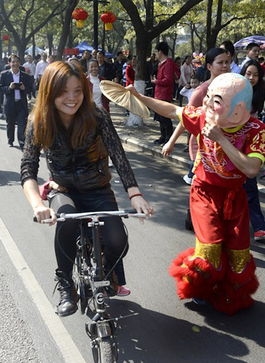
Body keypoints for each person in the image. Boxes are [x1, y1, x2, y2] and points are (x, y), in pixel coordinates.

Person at [21, 61, 153, 317]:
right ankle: (66, 285)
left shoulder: (97, 116)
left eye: (77, 91)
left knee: (118, 242)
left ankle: (104, 269)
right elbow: (27, 168)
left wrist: (135, 194)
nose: (72, 99)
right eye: (63, 92)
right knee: (66, 222)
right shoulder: (37, 120)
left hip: (98, 191)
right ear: (49, 92)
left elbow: (118, 154)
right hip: (64, 191)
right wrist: (38, 204)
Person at [126, 72, 265, 315]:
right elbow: (171, 110)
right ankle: (200, 289)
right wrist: (140, 96)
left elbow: (251, 169)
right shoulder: (203, 116)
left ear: (238, 110)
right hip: (204, 192)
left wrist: (221, 139)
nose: (207, 104)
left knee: (239, 251)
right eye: (208, 97)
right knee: (209, 246)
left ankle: (230, 294)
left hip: (235, 196)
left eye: (216, 101)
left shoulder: (256, 130)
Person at [165, 48, 230, 185]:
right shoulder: (202, 91)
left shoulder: (232, 87)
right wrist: (171, 142)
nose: (225, 66)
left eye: (227, 62)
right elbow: (185, 118)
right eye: (221, 62)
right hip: (202, 147)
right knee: (202, 186)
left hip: (224, 145)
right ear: (209, 66)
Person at [240, 59, 265, 241]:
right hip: (228, 142)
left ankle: (258, 226)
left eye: (255, 75)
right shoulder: (234, 90)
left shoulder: (259, 94)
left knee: (250, 184)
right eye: (248, 73)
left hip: (249, 143)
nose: (251, 78)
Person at [0, 54, 32, 149]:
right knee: (10, 123)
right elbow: (1, 88)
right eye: (13, 62)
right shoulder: (4, 75)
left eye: (17, 61)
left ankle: (21, 141)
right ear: (9, 63)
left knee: (22, 124)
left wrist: (24, 88)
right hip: (10, 104)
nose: (15, 64)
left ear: (19, 63)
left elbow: (30, 89)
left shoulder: (25, 76)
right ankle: (10, 140)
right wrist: (9, 88)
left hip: (21, 104)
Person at [152, 41, 175, 145]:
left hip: (164, 95)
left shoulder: (168, 63)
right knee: (160, 118)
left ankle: (169, 137)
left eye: (156, 52)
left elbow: (168, 80)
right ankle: (163, 136)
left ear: (160, 52)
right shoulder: (161, 64)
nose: (155, 54)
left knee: (165, 117)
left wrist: (156, 81)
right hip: (159, 94)